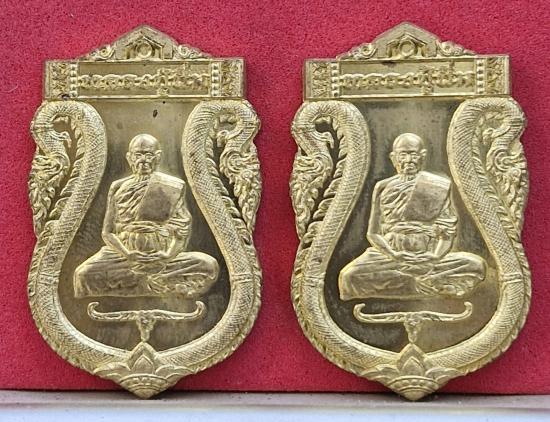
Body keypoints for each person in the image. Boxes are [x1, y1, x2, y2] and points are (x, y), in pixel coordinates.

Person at [339, 133, 486, 301]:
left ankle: (409, 283)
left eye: (413, 154)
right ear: (393, 158)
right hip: (391, 255)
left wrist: (435, 256)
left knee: (476, 266)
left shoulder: (436, 186)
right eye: (403, 155)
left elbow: (447, 232)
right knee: (348, 277)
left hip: (427, 253)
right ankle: (421, 284)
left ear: (422, 156)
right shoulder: (383, 187)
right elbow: (373, 233)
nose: (408, 160)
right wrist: (393, 254)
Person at [74, 133, 219, 298]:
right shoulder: (118, 187)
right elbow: (107, 233)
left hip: (161, 256)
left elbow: (181, 230)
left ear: (157, 157)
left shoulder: (172, 186)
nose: (143, 160)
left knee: (208, 265)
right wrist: (127, 254)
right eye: (138, 155)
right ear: (130, 158)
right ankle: (153, 284)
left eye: (148, 155)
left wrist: (168, 255)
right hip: (123, 256)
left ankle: (140, 283)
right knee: (82, 274)